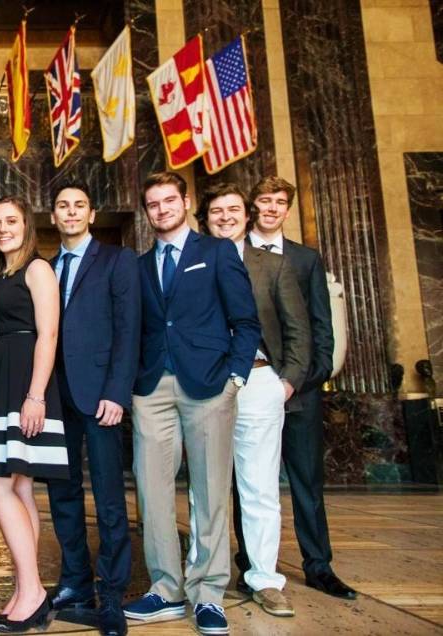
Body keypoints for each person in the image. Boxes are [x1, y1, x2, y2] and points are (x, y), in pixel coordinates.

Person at [121, 172, 259, 636]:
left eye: (168, 200)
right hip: (152, 387)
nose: (161, 209)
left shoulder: (217, 252)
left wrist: (235, 378)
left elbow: (246, 320)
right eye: (153, 204)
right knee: (152, 490)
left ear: (185, 201)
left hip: (208, 385)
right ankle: (165, 588)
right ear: (147, 211)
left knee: (211, 489)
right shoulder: (139, 266)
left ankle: (210, 592)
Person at [195, 183, 311, 618]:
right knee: (205, 486)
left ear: (246, 216)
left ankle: (264, 578)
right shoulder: (195, 259)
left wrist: (286, 383)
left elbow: (299, 330)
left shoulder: (273, 266)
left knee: (259, 487)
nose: (224, 217)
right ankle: (205, 575)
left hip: (262, 382)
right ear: (204, 219)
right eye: (215, 211)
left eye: (232, 210)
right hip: (206, 384)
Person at [246, 176, 357, 600]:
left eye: (279, 202)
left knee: (306, 480)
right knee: (248, 483)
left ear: (287, 210)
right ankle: (251, 563)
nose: (271, 208)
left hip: (297, 391)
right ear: (253, 205)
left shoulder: (306, 259)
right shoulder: (233, 252)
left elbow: (320, 329)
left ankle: (319, 565)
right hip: (247, 387)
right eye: (264, 200)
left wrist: (299, 381)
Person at [44, 184, 140, 636]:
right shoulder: (45, 266)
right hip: (54, 395)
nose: (71, 212)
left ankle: (112, 594)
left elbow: (128, 329)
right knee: (62, 496)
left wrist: (117, 392)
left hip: (101, 393)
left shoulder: (117, 260)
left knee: (108, 499)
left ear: (91, 212)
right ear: (53, 216)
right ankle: (75, 582)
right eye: (63, 206)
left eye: (78, 205)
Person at [0, 196, 69, 634]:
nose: (2, 229)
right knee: (20, 488)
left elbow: (48, 334)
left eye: (10, 221)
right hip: (0, 380)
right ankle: (23, 590)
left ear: (26, 225)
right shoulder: (0, 275)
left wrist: (35, 396)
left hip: (26, 384)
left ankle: (32, 591)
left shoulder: (37, 268)